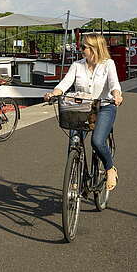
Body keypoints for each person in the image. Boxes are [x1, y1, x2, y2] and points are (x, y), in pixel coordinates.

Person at [44, 34, 124, 191]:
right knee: (74, 141)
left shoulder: (108, 64)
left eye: (83, 47)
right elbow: (65, 84)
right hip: (82, 108)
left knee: (97, 141)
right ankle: (75, 175)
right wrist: (53, 93)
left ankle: (110, 169)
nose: (80, 50)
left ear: (94, 49)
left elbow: (114, 83)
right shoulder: (77, 65)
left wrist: (116, 95)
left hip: (104, 106)